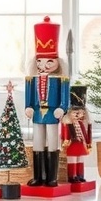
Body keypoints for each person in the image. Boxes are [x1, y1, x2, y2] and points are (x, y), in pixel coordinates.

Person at [24, 16, 70, 187]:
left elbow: (64, 98)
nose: (45, 64)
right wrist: (28, 107)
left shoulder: (61, 79)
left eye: (50, 60)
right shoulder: (32, 79)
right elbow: (28, 97)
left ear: (57, 61)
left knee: (52, 142)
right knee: (37, 142)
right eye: (40, 60)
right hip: (37, 113)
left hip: (52, 113)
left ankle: (52, 177)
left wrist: (62, 108)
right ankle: (38, 176)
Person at [61, 84, 92, 184]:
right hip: (72, 144)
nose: (78, 115)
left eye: (81, 113)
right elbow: (65, 133)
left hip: (80, 144)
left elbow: (85, 133)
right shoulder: (67, 123)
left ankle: (80, 175)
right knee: (72, 159)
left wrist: (88, 142)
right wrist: (66, 140)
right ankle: (72, 176)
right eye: (76, 113)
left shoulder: (81, 124)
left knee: (80, 159)